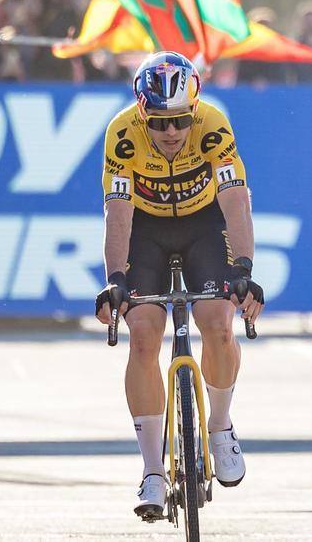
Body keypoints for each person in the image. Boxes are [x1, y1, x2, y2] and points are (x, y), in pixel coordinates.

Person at [94, 51, 266, 520]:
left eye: (180, 121)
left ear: (194, 110)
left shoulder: (213, 124)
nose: (171, 133)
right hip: (145, 231)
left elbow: (234, 199)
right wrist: (115, 281)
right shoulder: (122, 133)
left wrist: (244, 269)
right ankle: (152, 470)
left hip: (203, 226)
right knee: (144, 335)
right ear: (143, 114)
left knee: (218, 322)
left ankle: (221, 425)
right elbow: (118, 214)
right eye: (160, 124)